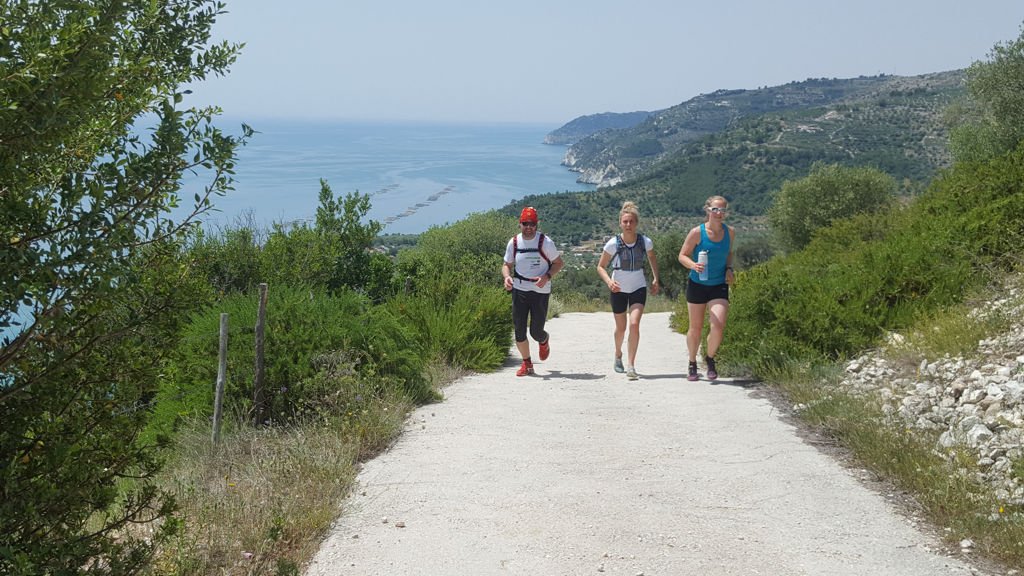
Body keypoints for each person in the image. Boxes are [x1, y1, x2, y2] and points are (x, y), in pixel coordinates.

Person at [596, 201, 660, 380]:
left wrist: (656, 278)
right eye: (625, 222)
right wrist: (609, 282)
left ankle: (631, 365)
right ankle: (618, 354)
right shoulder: (612, 244)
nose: (628, 225)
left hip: (638, 286)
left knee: (634, 324)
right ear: (620, 223)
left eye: (631, 222)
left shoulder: (645, 242)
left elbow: (652, 259)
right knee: (621, 328)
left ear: (636, 223)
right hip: (618, 289)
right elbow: (600, 267)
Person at [678, 195, 736, 381]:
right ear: (708, 210)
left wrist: (729, 268)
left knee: (718, 325)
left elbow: (729, 253)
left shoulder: (730, 232)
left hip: (718, 284)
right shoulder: (697, 232)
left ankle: (710, 358)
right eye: (715, 209)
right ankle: (692, 362)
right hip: (697, 284)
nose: (719, 213)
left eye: (722, 210)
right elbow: (682, 255)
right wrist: (693, 265)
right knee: (695, 328)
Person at [502, 206, 564, 376]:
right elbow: (507, 265)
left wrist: (547, 277)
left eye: (532, 224)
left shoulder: (545, 242)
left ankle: (543, 340)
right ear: (519, 224)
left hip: (540, 291)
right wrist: (507, 277)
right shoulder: (514, 242)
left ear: (537, 225)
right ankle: (527, 364)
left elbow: (558, 263)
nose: (528, 227)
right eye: (525, 223)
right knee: (519, 330)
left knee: (535, 331)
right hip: (520, 288)